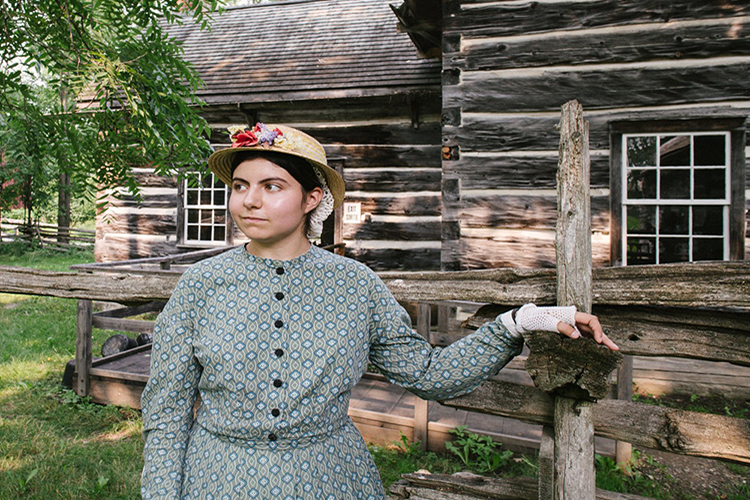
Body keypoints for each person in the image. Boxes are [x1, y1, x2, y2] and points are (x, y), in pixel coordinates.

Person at [140, 123, 619, 500]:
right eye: (241, 185)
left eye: (271, 186)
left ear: (312, 199)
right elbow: (166, 412)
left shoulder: (356, 286)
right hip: (217, 478)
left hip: (329, 479)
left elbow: (430, 375)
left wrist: (520, 322)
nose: (249, 200)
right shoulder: (201, 284)